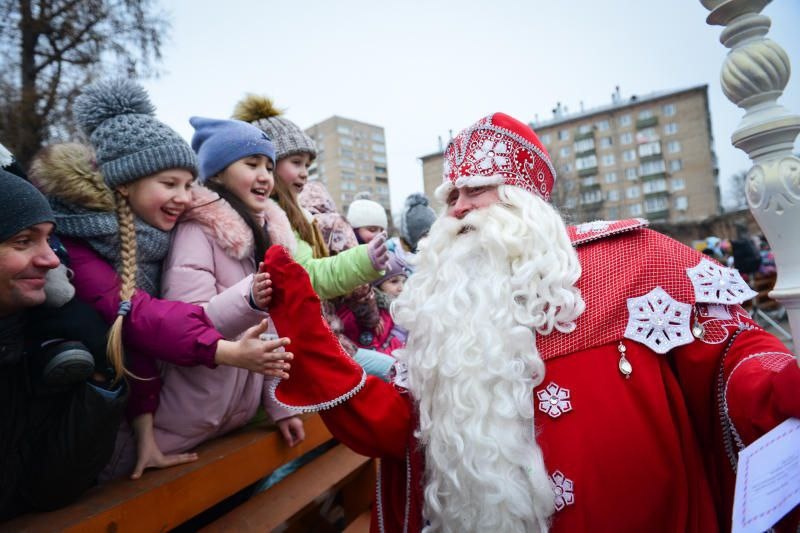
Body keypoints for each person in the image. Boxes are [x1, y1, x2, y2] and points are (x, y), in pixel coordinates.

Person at [260, 113, 800, 532]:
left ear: (524, 201)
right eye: (452, 195)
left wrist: (777, 384)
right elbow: (394, 429)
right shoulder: (446, 310)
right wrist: (305, 328)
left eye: (476, 189)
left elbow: (732, 352)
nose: (458, 209)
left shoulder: (632, 258)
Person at [30, 79, 290, 477]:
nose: (184, 198)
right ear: (124, 185)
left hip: (156, 426)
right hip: (77, 446)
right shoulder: (79, 242)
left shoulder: (152, 239)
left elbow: (142, 354)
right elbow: (138, 318)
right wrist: (224, 350)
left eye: (188, 185)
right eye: (169, 184)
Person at [0, 170, 126, 520]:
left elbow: (51, 488)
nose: (52, 259)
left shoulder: (44, 345)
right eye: (23, 240)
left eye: (48, 239)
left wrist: (102, 377)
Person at [232, 95, 388, 301]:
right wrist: (363, 260)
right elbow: (308, 275)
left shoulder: (294, 216)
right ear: (269, 164)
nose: (305, 172)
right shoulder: (272, 218)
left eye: (307, 165)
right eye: (296, 162)